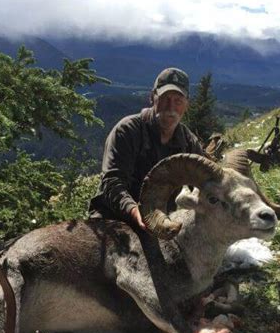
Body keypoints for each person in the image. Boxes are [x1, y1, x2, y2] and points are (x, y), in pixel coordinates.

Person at [88, 67, 205, 229]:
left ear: (187, 105)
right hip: (114, 219)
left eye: (178, 100)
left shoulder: (188, 141)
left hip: (160, 222)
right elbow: (112, 183)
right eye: (165, 98)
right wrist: (134, 211)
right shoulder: (127, 130)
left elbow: (207, 180)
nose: (171, 107)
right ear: (152, 97)